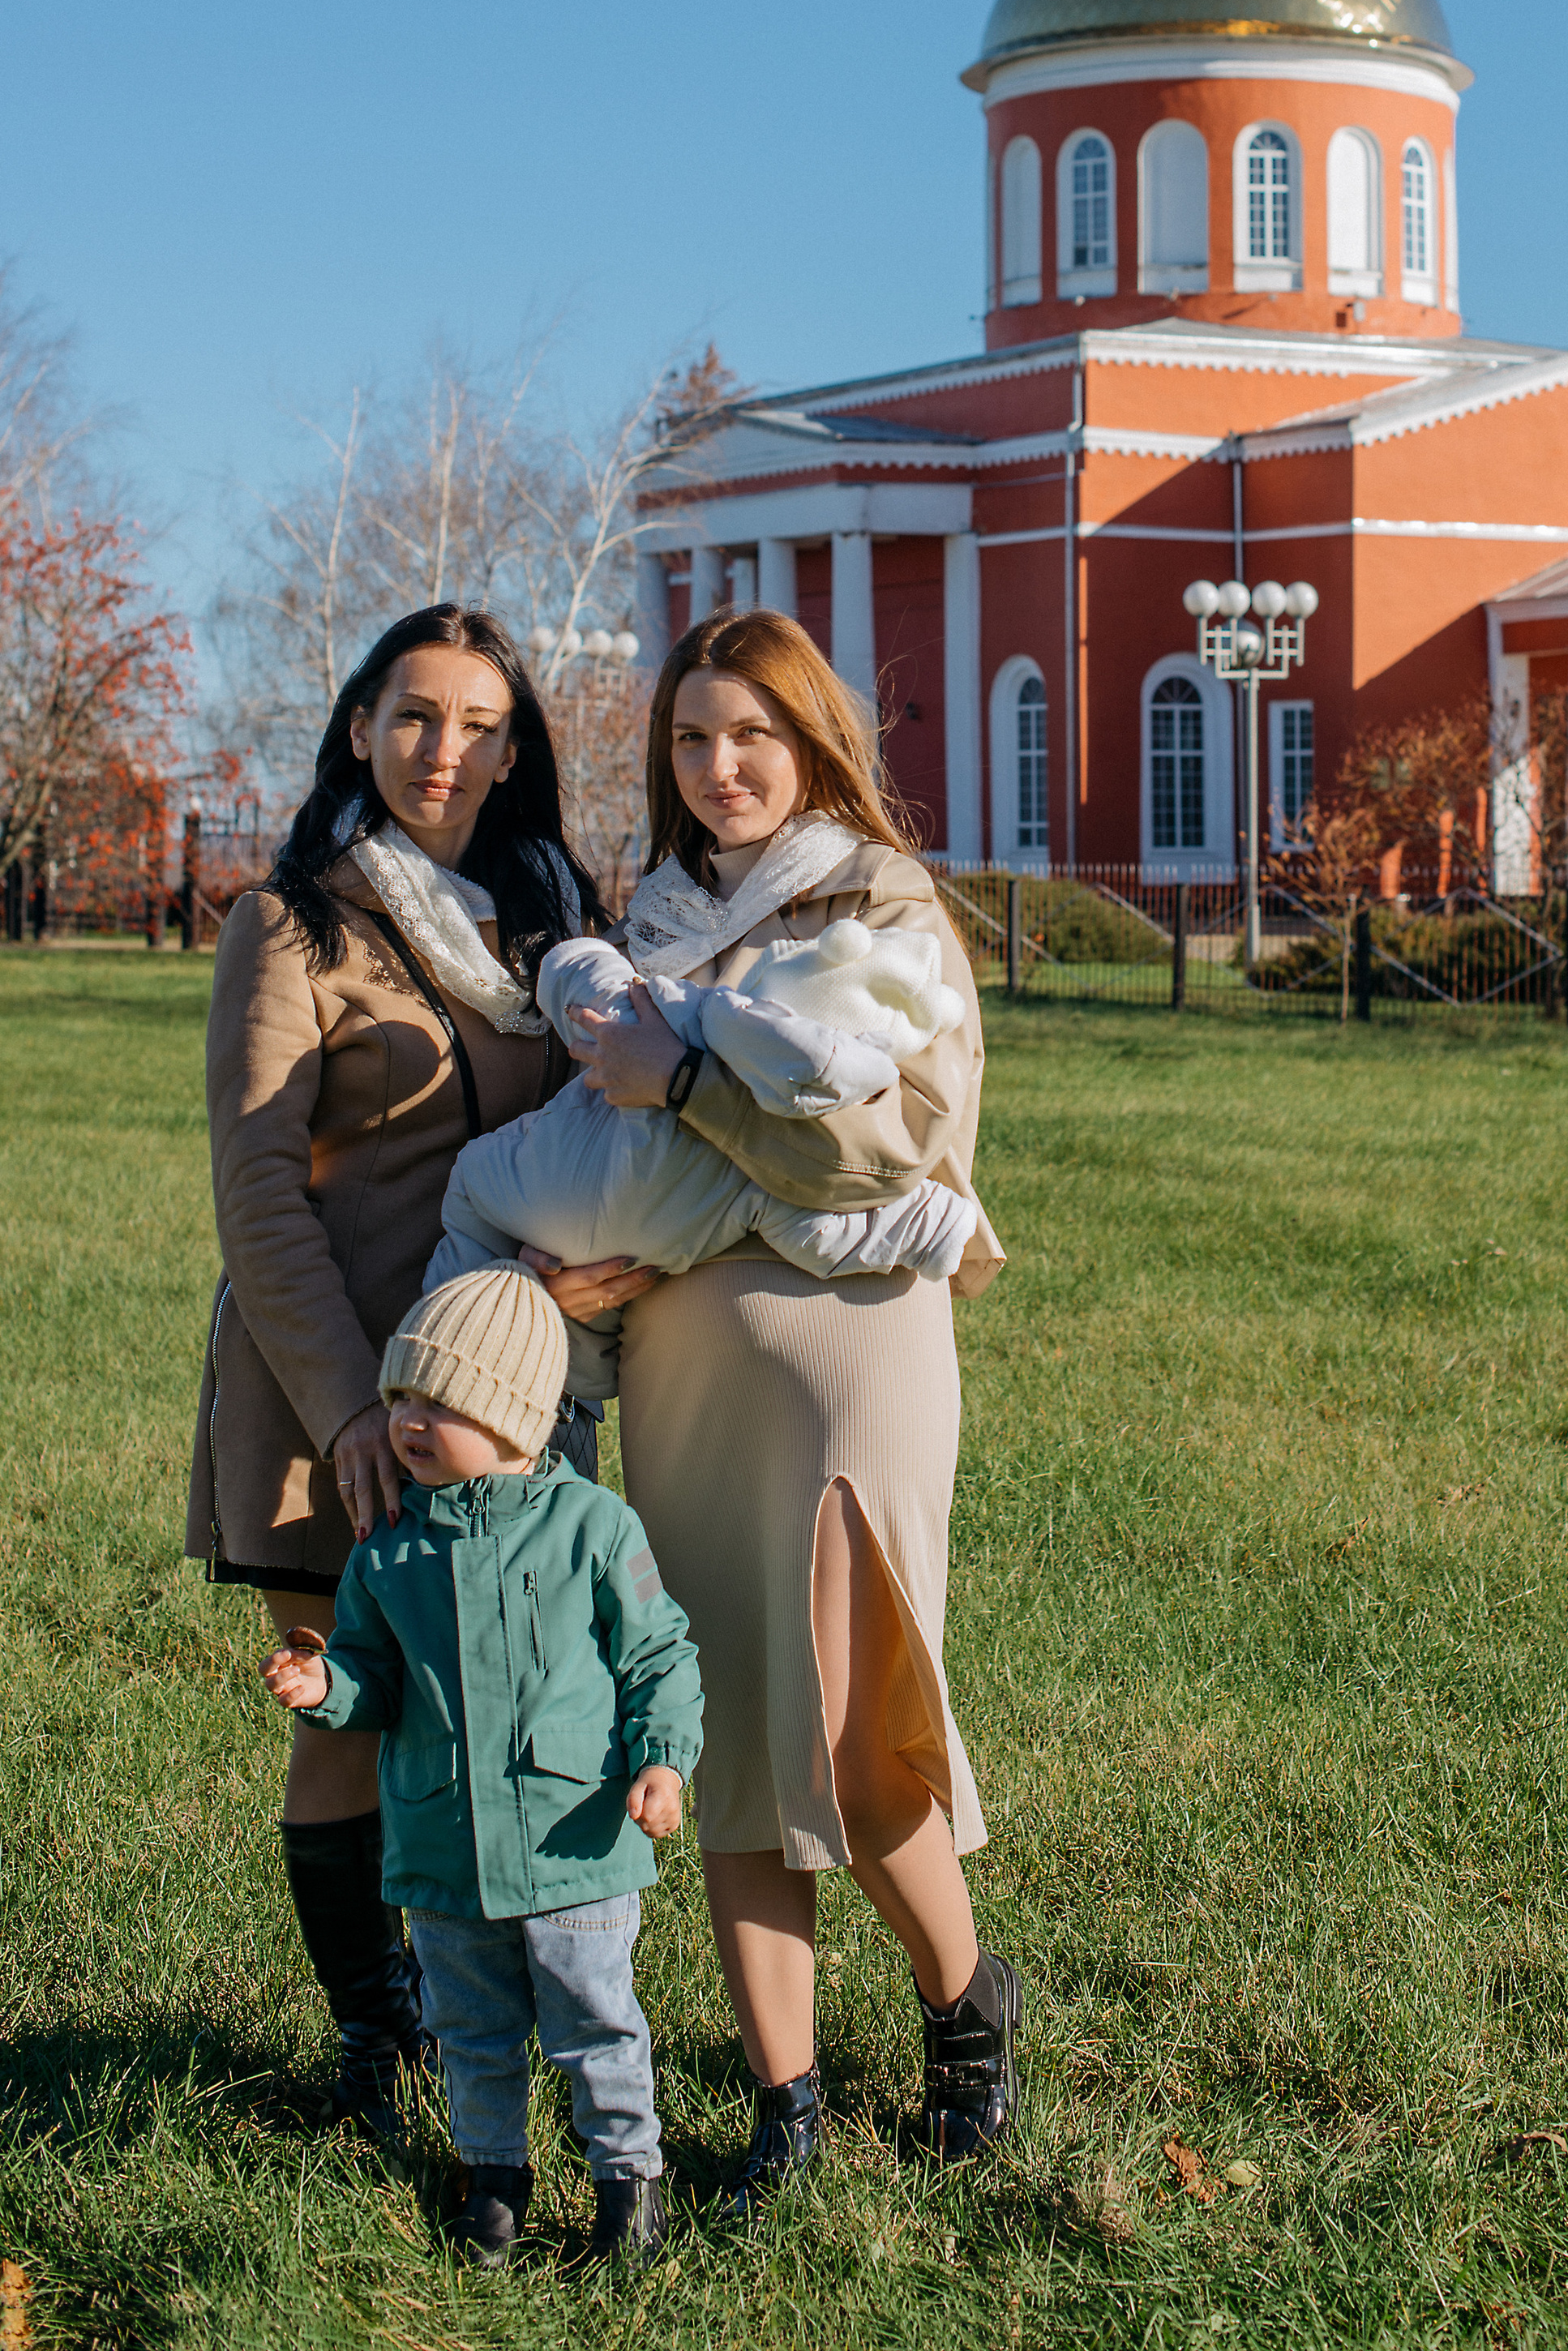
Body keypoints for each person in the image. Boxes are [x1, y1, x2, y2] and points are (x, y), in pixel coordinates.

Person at [190, 604, 662, 2132]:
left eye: (475, 723)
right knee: (361, 1718)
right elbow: (259, 1192)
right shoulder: (295, 927)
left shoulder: (544, 935)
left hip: (514, 1408)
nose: (440, 750)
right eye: (412, 715)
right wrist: (344, 1414)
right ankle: (372, 2050)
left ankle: (513, 2032)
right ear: (357, 727)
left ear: (515, 747)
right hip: (329, 1389)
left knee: (518, 1708)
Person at [572, 606, 1017, 2212]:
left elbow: (885, 1156)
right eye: (691, 738)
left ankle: (963, 2011)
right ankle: (784, 2104)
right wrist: (585, 1252)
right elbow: (605, 1155)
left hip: (855, 1355)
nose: (718, 766)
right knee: (726, 1734)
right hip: (688, 1368)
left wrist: (683, 1086)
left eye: (750, 732)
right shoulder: (655, 917)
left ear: (810, 739)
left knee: (853, 1718)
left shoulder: (882, 909)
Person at [260, 1266, 705, 2270]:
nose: (407, 1423)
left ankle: (627, 2186)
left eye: (439, 1401)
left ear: (513, 1417)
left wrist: (663, 1763)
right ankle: (493, 2180)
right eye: (399, 1396)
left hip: (574, 1844)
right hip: (445, 1851)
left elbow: (659, 1656)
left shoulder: (594, 1527)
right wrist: (326, 1685)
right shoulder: (388, 1556)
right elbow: (376, 1680)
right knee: (473, 2029)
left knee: (595, 2021)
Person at [423, 927, 981, 1406]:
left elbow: (594, 986)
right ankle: (560, 1370)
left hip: (564, 1185)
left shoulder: (689, 1015)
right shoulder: (762, 1171)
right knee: (583, 1356)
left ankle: (433, 1358)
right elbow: (820, 1230)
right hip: (628, 1254)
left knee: (471, 1191)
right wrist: (940, 1226)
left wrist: (561, 967)